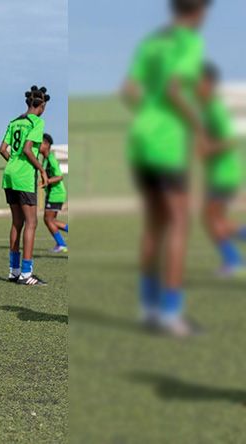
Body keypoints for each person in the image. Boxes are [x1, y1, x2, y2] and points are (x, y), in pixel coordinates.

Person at [121, 0, 211, 336]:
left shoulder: (152, 42)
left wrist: (150, 114)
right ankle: (171, 314)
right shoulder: (189, 42)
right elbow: (175, 90)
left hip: (142, 140)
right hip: (167, 146)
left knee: (154, 225)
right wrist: (198, 128)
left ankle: (148, 308)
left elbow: (130, 91)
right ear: (199, 11)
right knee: (179, 224)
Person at [0, 86, 50, 286]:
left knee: (16, 223)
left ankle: (14, 271)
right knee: (32, 223)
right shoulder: (37, 122)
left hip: (9, 175)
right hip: (24, 177)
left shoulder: (14, 122)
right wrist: (42, 170)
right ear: (42, 105)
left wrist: (13, 163)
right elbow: (29, 149)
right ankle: (27, 274)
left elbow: (2, 149)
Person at [197, 62, 245, 277]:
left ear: (207, 82)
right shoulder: (207, 109)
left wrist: (208, 149)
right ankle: (234, 260)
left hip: (223, 175)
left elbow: (230, 141)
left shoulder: (214, 108)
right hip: (220, 173)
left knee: (212, 220)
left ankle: (234, 261)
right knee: (216, 220)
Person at [39, 134, 69, 253]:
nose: (37, 145)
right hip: (51, 193)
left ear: (46, 145)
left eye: (39, 143)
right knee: (49, 220)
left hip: (56, 193)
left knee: (48, 220)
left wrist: (46, 182)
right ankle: (61, 243)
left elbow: (59, 176)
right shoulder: (45, 160)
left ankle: (62, 244)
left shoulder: (51, 159)